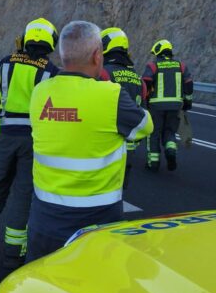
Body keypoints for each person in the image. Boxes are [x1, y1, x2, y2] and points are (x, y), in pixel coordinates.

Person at [27, 21, 153, 263]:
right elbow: (144, 127)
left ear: (62, 56)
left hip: (45, 219)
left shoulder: (40, 92)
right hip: (98, 222)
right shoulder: (111, 95)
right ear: (97, 56)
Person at [0, 18, 60, 268]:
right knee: (23, 193)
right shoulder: (51, 71)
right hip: (32, 141)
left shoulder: (6, 63)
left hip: (6, 137)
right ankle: (13, 253)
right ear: (50, 41)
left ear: (26, 37)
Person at [99, 27, 145, 188]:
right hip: (130, 147)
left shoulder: (103, 73)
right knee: (119, 190)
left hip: (106, 144)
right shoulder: (137, 78)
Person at [142, 39, 193, 171]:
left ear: (158, 51)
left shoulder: (153, 66)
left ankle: (153, 163)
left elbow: (146, 82)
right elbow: (188, 83)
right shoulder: (181, 66)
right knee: (170, 132)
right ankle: (171, 150)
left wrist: (144, 101)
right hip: (175, 106)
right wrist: (187, 101)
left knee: (153, 134)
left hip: (156, 107)